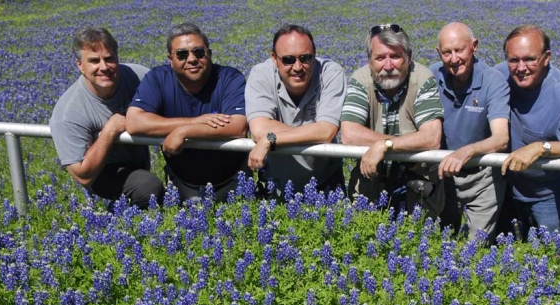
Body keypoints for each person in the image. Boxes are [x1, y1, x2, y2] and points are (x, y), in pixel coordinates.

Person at [495, 25, 560, 239]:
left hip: (550, 194)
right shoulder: (499, 77)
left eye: (530, 59)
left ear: (546, 57)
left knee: (554, 256)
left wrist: (542, 148)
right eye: (513, 60)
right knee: (508, 257)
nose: (521, 67)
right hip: (508, 187)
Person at [126, 23, 248, 202]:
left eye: (198, 52)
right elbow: (134, 122)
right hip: (182, 186)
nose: (192, 59)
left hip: (235, 184)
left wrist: (184, 132)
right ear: (170, 59)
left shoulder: (229, 78)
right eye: (182, 54)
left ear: (209, 53)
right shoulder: (158, 78)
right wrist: (194, 122)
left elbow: (238, 126)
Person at [50, 26, 164, 209]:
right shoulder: (68, 112)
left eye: (109, 59)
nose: (103, 67)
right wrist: (110, 130)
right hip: (102, 172)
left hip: (138, 160)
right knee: (148, 188)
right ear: (80, 65)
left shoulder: (139, 77)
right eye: (94, 61)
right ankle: (112, 220)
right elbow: (82, 175)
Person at [340, 24, 444, 217]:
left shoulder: (422, 78)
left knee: (418, 237)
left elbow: (431, 137)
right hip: (371, 179)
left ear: (409, 56)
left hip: (417, 180)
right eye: (380, 58)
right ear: (369, 60)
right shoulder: (360, 79)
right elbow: (349, 134)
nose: (388, 66)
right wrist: (390, 143)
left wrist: (384, 145)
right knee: (363, 236)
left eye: (395, 56)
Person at [245, 24, 347, 196]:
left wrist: (271, 139)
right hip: (275, 184)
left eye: (305, 58)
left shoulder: (331, 73)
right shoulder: (261, 74)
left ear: (314, 56)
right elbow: (258, 130)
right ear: (274, 58)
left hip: (325, 184)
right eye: (288, 59)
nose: (298, 67)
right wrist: (313, 133)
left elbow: (326, 132)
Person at [430, 22, 509, 241]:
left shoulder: (493, 81)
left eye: (459, 50)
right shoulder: (430, 76)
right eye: (447, 52)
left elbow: (501, 138)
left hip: (482, 175)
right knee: (440, 240)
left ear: (474, 46)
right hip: (443, 172)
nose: (454, 59)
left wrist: (467, 151)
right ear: (439, 53)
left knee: (476, 247)